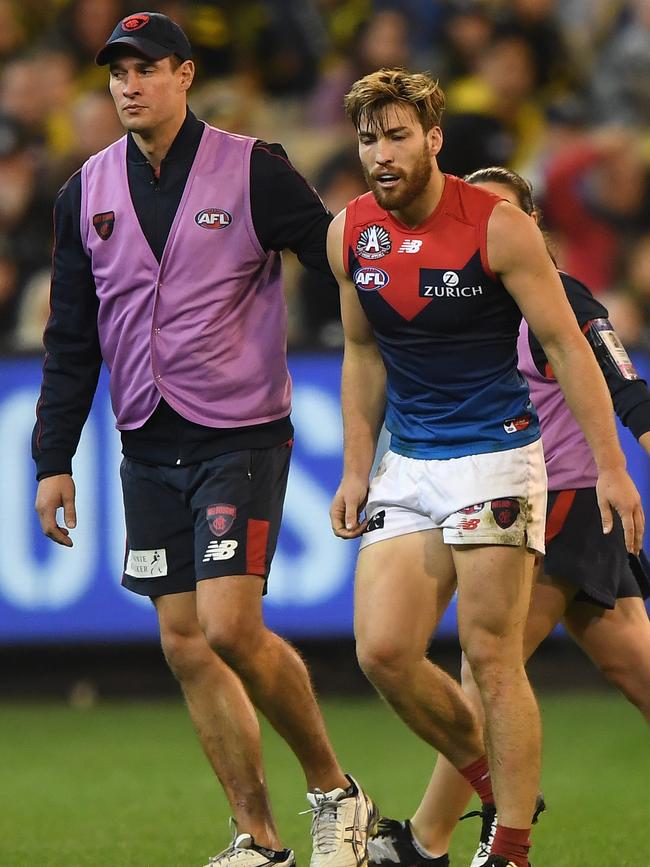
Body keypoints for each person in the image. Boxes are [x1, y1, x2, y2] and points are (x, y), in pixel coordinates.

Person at [32, 12, 376, 867]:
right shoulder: (84, 191)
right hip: (145, 439)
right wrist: (51, 460)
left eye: (147, 69)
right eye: (118, 73)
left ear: (185, 76)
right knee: (184, 642)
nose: (129, 85)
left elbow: (338, 260)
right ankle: (257, 838)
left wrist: (384, 349)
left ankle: (336, 792)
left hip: (240, 432)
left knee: (227, 626)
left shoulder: (255, 169)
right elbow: (71, 338)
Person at [326, 68, 644, 867]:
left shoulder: (498, 228)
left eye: (398, 135)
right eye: (369, 138)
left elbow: (574, 347)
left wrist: (612, 464)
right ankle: (497, 782)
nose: (381, 153)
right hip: (410, 460)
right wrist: (357, 469)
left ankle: (509, 847)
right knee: (383, 650)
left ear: (435, 139)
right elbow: (363, 353)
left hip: (497, 458)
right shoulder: (350, 233)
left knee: (489, 655)